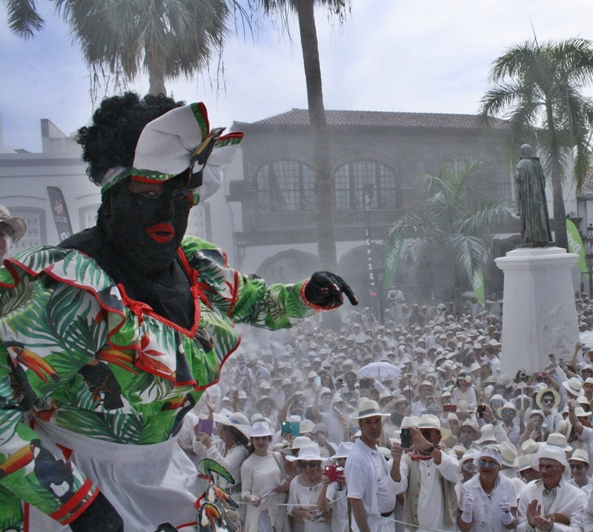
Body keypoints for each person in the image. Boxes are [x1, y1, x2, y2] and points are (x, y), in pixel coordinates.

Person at [0, 93, 357, 532]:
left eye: (181, 197)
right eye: (149, 193)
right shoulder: (73, 287)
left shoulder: (193, 266)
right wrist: (81, 507)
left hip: (161, 476)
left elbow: (253, 302)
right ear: (110, 198)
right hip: (66, 485)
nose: (168, 210)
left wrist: (305, 294)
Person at [393, 415, 460, 532]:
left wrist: (428, 447)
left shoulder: (448, 455)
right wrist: (396, 461)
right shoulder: (407, 460)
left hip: (444, 528)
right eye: (420, 434)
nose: (421, 439)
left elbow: (453, 473)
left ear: (438, 438)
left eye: (427, 434)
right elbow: (396, 487)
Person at [345, 400, 397, 532]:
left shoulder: (375, 449)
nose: (374, 426)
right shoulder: (358, 458)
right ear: (360, 425)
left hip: (387, 522)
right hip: (373, 526)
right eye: (368, 422)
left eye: (377, 421)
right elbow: (355, 500)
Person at [516, 446, 587, 532]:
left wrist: (553, 528)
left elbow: (578, 529)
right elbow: (518, 529)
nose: (543, 471)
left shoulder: (578, 497)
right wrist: (530, 525)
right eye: (541, 466)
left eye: (549, 467)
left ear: (562, 469)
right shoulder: (527, 491)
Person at [241, 421, 290, 532]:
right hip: (259, 514)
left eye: (264, 438)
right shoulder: (248, 464)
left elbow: (283, 478)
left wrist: (282, 486)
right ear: (252, 440)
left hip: (277, 510)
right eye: (257, 439)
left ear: (269, 439)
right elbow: (245, 492)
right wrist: (251, 498)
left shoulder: (276, 457)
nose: (261, 442)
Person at [458, 445, 517, 532]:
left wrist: (507, 516)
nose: (486, 466)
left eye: (492, 463)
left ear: (499, 467)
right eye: (483, 462)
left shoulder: (509, 485)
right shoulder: (468, 487)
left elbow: (511, 525)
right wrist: (467, 514)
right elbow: (464, 528)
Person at [514, 143, 552, 246]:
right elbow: (542, 181)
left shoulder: (522, 163)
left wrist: (516, 175)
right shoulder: (537, 164)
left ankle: (530, 237)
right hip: (538, 195)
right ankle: (541, 236)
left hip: (527, 195)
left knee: (528, 216)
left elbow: (520, 178)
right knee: (539, 216)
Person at [287, 444, 331, 532]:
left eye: (312, 464)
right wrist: (303, 513)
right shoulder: (295, 483)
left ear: (318, 464)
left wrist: (331, 511)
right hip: (308, 527)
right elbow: (290, 508)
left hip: (331, 526)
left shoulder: (328, 479)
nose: (308, 468)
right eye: (304, 465)